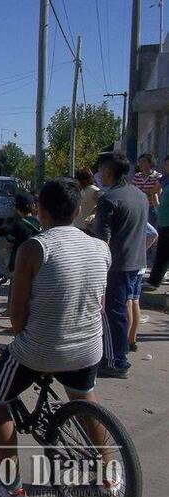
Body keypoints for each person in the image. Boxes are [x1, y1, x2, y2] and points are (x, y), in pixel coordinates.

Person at [0, 178, 111, 497]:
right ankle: (110, 476)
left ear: (41, 210)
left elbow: (16, 312)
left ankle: (11, 487)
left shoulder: (34, 247)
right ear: (78, 210)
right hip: (89, 346)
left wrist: (22, 338)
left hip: (40, 349)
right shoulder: (100, 248)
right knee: (84, 401)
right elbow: (98, 304)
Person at [93, 151, 148, 379]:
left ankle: (116, 361)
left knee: (112, 313)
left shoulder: (109, 199)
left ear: (108, 171)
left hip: (116, 265)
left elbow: (102, 240)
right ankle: (116, 354)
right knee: (122, 310)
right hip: (136, 262)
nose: (99, 174)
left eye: (101, 170)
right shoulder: (139, 195)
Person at [128, 223, 159, 352]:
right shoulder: (139, 213)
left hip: (130, 263)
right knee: (135, 301)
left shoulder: (131, 214)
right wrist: (142, 250)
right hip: (139, 264)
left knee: (128, 301)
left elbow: (153, 234)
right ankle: (132, 340)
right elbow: (153, 234)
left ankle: (124, 341)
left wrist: (140, 249)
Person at [144, 170, 169, 291]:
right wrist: (157, 206)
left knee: (163, 252)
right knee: (162, 252)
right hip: (164, 221)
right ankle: (155, 280)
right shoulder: (165, 180)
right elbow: (154, 192)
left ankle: (155, 280)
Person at [5, 192, 41, 274]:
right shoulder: (39, 223)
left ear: (16, 207)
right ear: (32, 205)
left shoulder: (16, 225)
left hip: (19, 262)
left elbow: (9, 245)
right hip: (37, 262)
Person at [132, 153, 162, 227]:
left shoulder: (158, 176)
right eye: (139, 162)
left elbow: (157, 192)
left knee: (153, 229)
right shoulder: (137, 176)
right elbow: (133, 191)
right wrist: (147, 192)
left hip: (152, 207)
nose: (140, 164)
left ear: (150, 163)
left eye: (143, 162)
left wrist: (144, 192)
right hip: (139, 207)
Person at [73, 167, 101, 231]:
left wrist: (91, 215)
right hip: (77, 226)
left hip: (87, 228)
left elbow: (102, 205)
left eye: (77, 179)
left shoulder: (94, 190)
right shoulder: (83, 190)